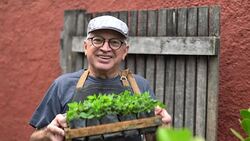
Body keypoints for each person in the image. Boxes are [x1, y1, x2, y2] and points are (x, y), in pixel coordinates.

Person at [29, 15, 171, 141]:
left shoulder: (139, 85)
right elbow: (35, 137)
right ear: (86, 47)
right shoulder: (62, 85)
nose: (105, 48)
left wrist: (164, 129)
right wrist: (48, 134)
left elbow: (152, 136)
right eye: (98, 40)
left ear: (124, 51)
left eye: (115, 42)